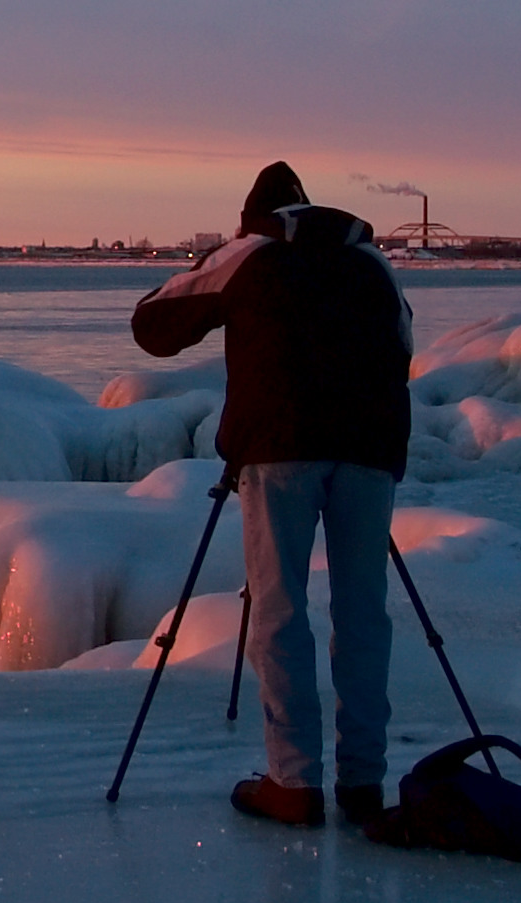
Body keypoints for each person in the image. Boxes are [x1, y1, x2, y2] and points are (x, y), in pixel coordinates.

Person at [131, 161, 413, 829]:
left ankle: (293, 783)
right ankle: (364, 782)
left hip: (280, 447)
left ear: (251, 218)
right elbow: (402, 346)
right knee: (363, 613)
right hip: (370, 450)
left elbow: (152, 325)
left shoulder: (250, 254)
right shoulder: (372, 263)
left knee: (281, 609)